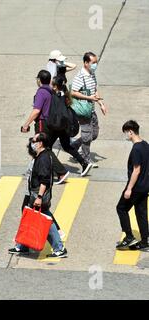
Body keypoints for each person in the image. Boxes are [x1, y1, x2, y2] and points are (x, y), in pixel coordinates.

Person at [9, 133, 67, 257]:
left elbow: (44, 180)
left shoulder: (44, 158)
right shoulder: (41, 156)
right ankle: (23, 245)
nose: (32, 143)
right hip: (34, 193)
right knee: (30, 215)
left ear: (40, 143)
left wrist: (39, 197)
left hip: (38, 194)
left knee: (46, 221)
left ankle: (59, 248)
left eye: (34, 140)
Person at [21, 70, 70, 185]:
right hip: (51, 123)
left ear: (39, 80)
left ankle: (61, 172)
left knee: (43, 148)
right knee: (43, 148)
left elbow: (36, 111)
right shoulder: (51, 91)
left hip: (42, 123)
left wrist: (26, 124)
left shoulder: (41, 92)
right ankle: (38, 170)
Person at [70, 52, 108, 167]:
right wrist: (88, 97)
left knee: (94, 134)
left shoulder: (92, 74)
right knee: (87, 136)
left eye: (96, 62)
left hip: (91, 109)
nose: (95, 65)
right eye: (93, 63)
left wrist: (101, 104)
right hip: (83, 111)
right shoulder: (80, 76)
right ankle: (86, 159)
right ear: (86, 63)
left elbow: (94, 89)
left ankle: (75, 146)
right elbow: (73, 92)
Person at [116, 120, 149, 250]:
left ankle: (129, 236)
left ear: (130, 132)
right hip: (145, 185)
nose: (126, 136)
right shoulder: (146, 145)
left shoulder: (136, 149)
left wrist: (129, 189)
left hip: (136, 187)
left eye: (126, 133)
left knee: (121, 208)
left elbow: (137, 170)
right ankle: (145, 240)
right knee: (141, 212)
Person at [50, 76, 93, 177]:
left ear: (56, 86)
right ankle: (84, 163)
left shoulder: (57, 96)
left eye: (53, 85)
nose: (51, 86)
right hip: (64, 126)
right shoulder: (65, 95)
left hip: (58, 126)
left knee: (47, 147)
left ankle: (57, 171)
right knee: (67, 146)